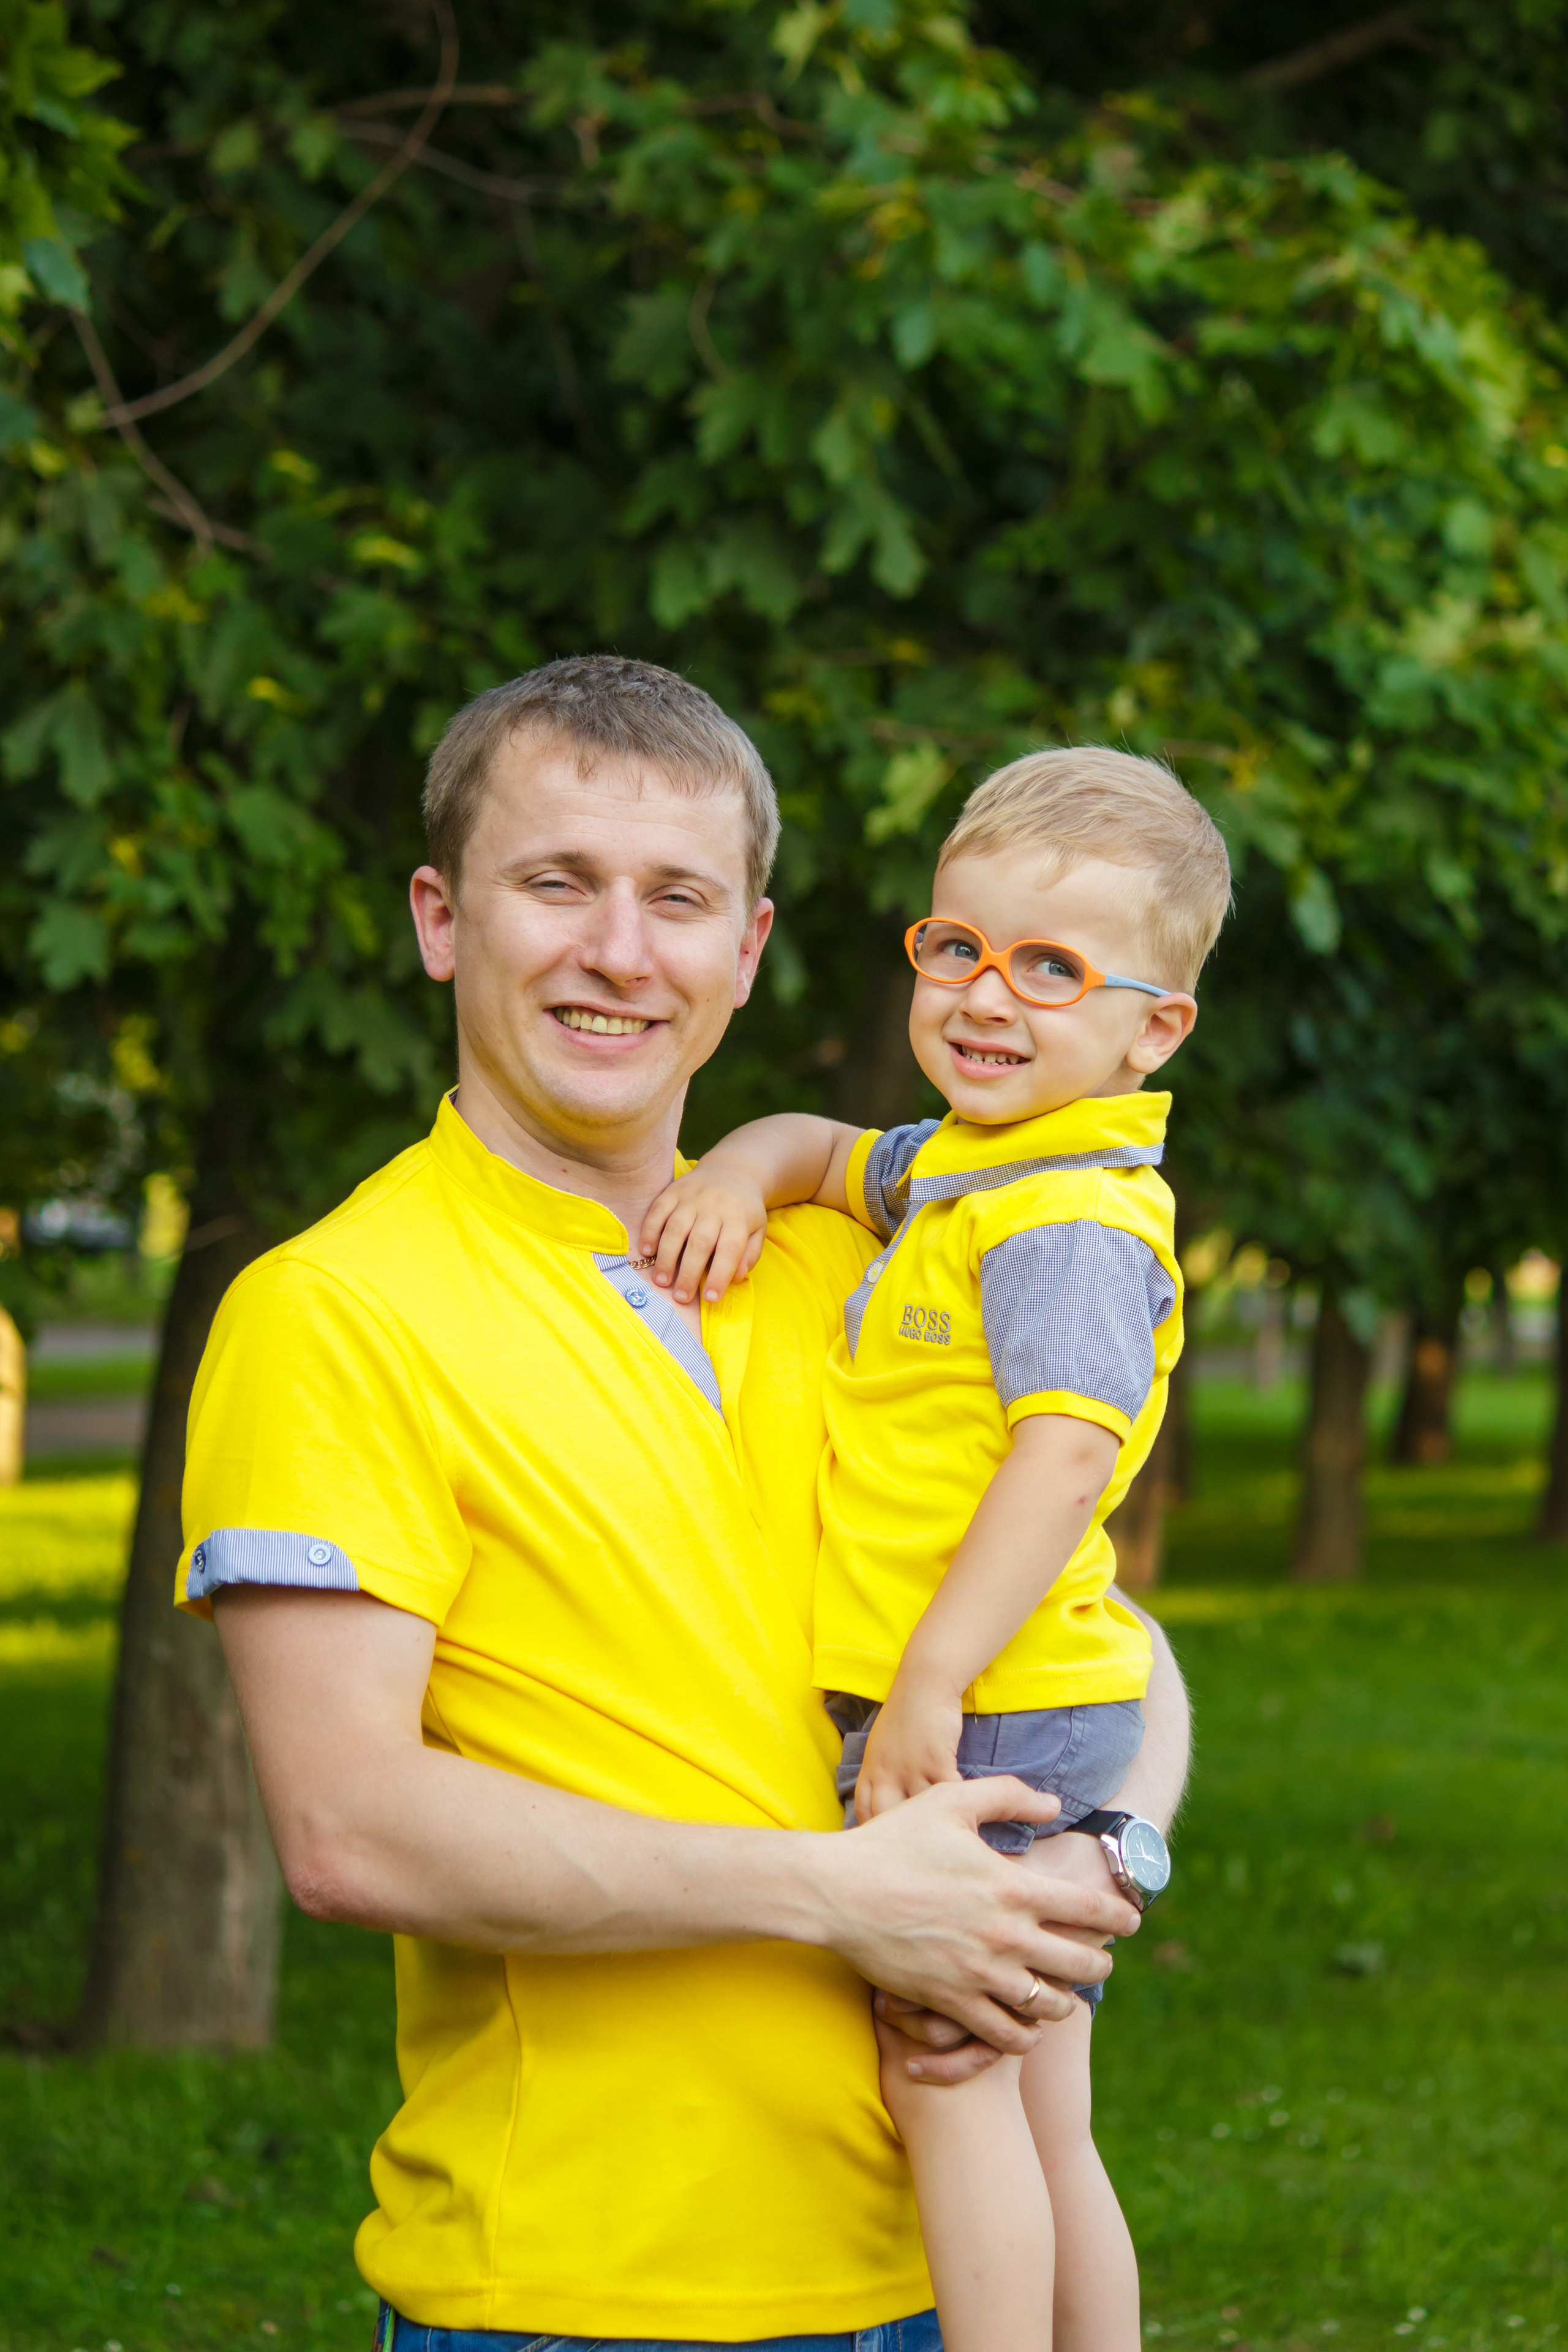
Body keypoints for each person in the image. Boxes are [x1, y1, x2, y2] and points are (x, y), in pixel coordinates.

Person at [176, 660, 1191, 2352]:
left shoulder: (877, 1263)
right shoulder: (335, 1307)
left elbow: (1108, 1631)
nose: (620, 953)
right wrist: (847, 1895)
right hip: (597, 2297)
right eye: (556, 883)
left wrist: (1111, 1846)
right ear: (441, 919)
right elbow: (350, 1829)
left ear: (750, 951)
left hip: (944, 2272)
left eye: (679, 900)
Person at [640, 748, 1229, 2352]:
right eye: (956, 947)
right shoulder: (980, 1161)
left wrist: (925, 1685)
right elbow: (839, 1151)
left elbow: (1062, 1462)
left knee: (951, 2080)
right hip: (1023, 1695)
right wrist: (747, 1165)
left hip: (994, 1708)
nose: (988, 995)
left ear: (1152, 1026)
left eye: (1052, 969)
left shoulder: (1068, 1220)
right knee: (1043, 2103)